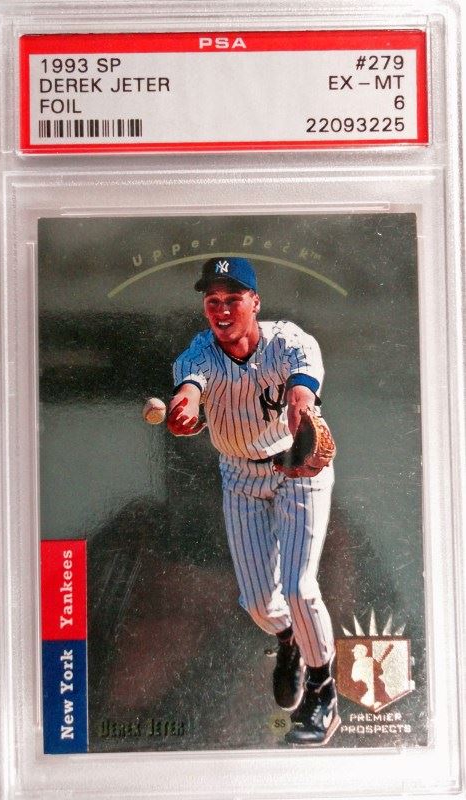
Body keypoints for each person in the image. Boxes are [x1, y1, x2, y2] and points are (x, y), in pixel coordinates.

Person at [167, 256, 339, 746]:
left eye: (233, 299)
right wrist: (183, 409)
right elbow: (189, 391)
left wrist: (301, 421)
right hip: (240, 474)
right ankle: (291, 639)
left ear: (255, 302)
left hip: (296, 469)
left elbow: (302, 396)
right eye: (213, 300)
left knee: (300, 589)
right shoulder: (200, 352)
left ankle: (323, 692)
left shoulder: (289, 342)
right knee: (261, 604)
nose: (221, 309)